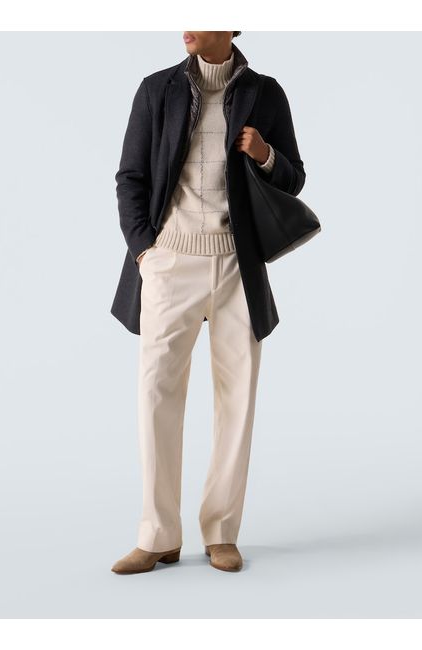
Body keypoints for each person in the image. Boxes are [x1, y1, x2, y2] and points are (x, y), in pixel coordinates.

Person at [111, 31, 306, 574]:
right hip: (170, 263)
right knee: (156, 393)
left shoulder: (266, 93)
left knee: (236, 399)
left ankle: (222, 532)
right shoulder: (157, 90)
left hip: (238, 267)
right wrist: (146, 252)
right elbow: (130, 178)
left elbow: (294, 177)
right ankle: (158, 535)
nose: (186, 23)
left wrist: (265, 154)